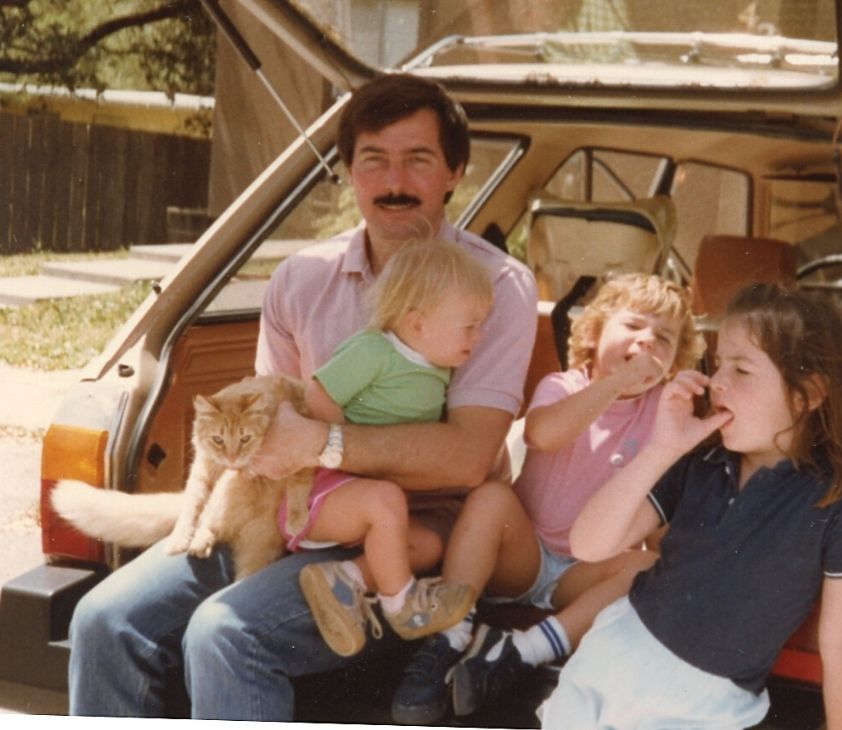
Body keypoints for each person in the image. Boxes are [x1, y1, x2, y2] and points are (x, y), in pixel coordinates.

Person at [66, 73, 537, 721]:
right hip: (296, 513)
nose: (394, 181)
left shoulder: (497, 285)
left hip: (414, 537)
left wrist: (324, 443)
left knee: (226, 633)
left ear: (456, 170)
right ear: (348, 172)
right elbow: (267, 434)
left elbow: (465, 460)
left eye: (418, 159)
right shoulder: (300, 279)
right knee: (104, 619)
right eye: (373, 159)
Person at [542, 283, 842, 729]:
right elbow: (589, 544)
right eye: (718, 364)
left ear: (810, 394)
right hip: (609, 665)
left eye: (741, 370)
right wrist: (661, 448)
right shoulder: (700, 458)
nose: (717, 382)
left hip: (706, 710)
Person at [389, 273, 705, 723]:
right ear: (595, 334)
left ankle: (522, 652)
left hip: (581, 573)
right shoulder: (565, 385)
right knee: (489, 500)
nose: (647, 341)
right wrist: (616, 383)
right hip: (522, 555)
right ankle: (448, 635)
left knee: (646, 568)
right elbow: (543, 433)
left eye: (664, 338)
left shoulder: (662, 414)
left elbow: (660, 502)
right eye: (634, 326)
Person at [291, 236, 493, 658]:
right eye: (470, 324)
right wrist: (348, 455)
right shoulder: (374, 350)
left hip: (370, 500)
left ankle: (342, 578)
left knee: (427, 545)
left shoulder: (436, 366)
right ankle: (402, 608)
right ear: (418, 323)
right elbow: (317, 395)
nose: (480, 334)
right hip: (325, 489)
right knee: (385, 501)